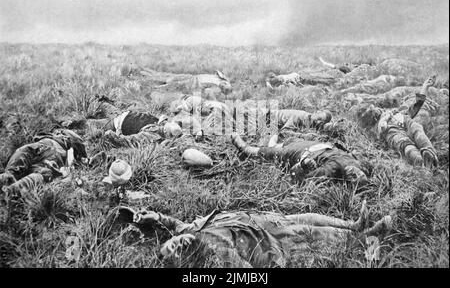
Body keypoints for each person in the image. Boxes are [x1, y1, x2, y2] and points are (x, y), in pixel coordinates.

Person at [115, 201, 392, 268]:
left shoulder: (190, 232)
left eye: (171, 244)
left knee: (305, 216)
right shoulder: (214, 257)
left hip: (257, 220)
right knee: (309, 232)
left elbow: (175, 225)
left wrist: (157, 218)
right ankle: (371, 240)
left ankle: (354, 225)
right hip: (268, 242)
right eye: (176, 252)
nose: (177, 244)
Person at [353, 76, 439, 168]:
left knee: (417, 129)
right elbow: (374, 135)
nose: (374, 109)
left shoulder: (396, 111)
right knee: (404, 143)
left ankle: (430, 155)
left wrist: (425, 87)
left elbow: (417, 104)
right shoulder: (375, 128)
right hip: (389, 131)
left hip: (403, 119)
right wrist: (381, 128)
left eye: (373, 108)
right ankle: (421, 162)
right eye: (370, 111)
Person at [231, 133, 369, 184]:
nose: (355, 173)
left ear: (346, 180)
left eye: (353, 177)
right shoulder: (362, 165)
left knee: (254, 151)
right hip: (316, 144)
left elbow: (298, 179)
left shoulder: (331, 170)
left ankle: (240, 143)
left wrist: (303, 165)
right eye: (359, 173)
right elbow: (367, 166)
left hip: (302, 152)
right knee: (285, 140)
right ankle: (274, 142)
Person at [0, 129, 87, 195]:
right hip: (58, 154)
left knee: (25, 154)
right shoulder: (73, 142)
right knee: (42, 173)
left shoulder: (67, 136)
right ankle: (8, 194)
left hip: (52, 146)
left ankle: (7, 182)